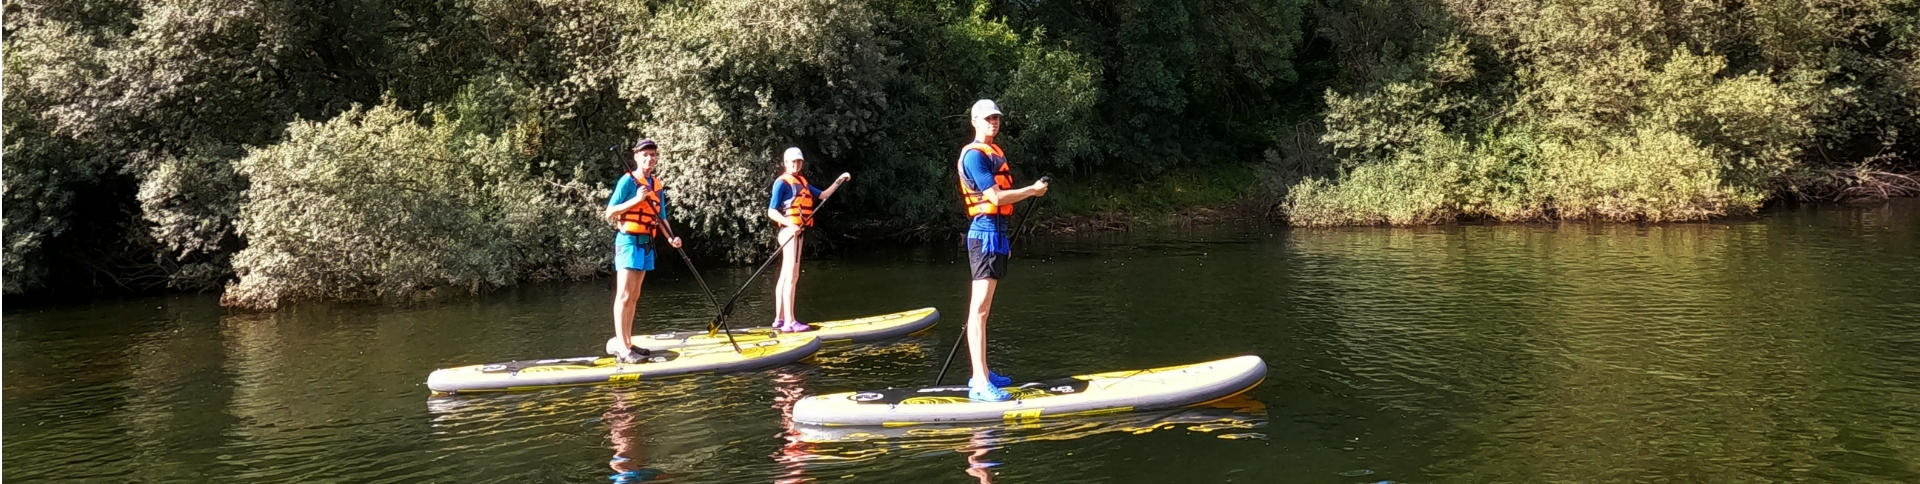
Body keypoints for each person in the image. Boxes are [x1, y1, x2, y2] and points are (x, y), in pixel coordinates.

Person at [955, 100, 1048, 401]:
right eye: (987, 119)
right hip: (983, 236)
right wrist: (1032, 190)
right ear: (975, 122)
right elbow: (994, 197)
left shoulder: (994, 152)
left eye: (996, 118)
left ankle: (982, 371)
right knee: (978, 311)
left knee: (984, 311)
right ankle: (980, 381)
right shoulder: (974, 157)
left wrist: (1005, 241)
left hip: (997, 235)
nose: (993, 122)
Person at [604, 139, 683, 363]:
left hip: (646, 243)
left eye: (653, 155)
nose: (650, 159)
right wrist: (637, 199)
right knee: (624, 295)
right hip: (628, 241)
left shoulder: (656, 185)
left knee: (635, 296)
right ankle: (622, 348)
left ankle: (627, 343)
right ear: (637, 157)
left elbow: (662, 217)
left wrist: (671, 237)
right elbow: (610, 212)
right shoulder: (627, 182)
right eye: (645, 155)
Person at [765, 147, 849, 333]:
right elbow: (772, 211)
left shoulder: (802, 182)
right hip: (789, 232)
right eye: (793, 162)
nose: (796, 165)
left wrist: (839, 180)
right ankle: (790, 322)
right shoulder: (782, 183)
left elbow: (823, 195)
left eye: (799, 162)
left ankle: (779, 319)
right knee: (792, 276)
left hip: (796, 232)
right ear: (786, 163)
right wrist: (791, 224)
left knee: (786, 276)